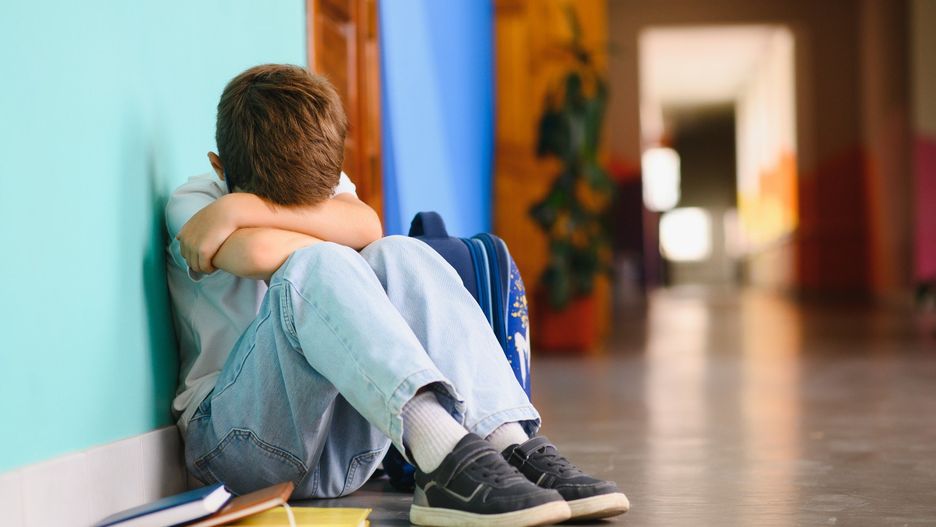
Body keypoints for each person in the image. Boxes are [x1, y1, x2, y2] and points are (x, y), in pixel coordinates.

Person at [165, 64, 628, 527]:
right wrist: (231, 205)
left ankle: (505, 443)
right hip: (236, 451)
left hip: (342, 457)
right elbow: (260, 250)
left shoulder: (241, 204)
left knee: (398, 253)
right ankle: (443, 452)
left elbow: (368, 227)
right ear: (217, 169)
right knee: (318, 262)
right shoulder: (195, 201)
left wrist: (241, 206)